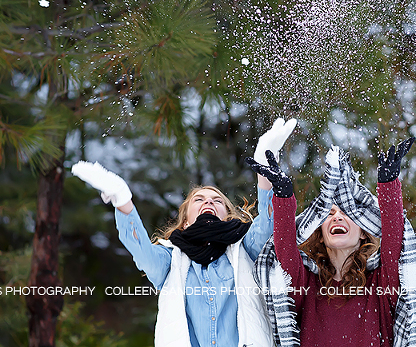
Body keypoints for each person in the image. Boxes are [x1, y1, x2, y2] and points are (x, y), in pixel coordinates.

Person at [71, 118, 296, 347]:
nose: (208, 201)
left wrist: (264, 168)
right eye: (199, 199)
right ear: (185, 221)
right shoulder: (171, 261)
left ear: (227, 216)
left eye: (217, 200)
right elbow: (142, 251)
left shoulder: (244, 250)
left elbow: (269, 224)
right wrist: (122, 200)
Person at [248, 140, 416, 347]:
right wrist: (284, 198)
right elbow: (284, 252)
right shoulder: (306, 283)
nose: (337, 217)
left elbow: (396, 242)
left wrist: (389, 187)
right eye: (330, 213)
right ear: (320, 234)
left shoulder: (380, 284)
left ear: (363, 233)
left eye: (347, 213)